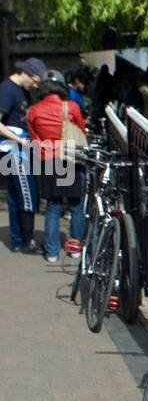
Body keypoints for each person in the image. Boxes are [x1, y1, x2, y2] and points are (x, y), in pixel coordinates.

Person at [26, 70, 86, 264]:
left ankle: (52, 252)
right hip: (70, 158)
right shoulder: (71, 107)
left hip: (47, 160)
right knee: (76, 205)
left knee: (53, 207)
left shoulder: (33, 111)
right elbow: (81, 131)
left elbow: (34, 138)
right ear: (61, 88)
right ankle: (75, 249)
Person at [0, 55, 45, 252]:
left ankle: (18, 240)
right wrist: (20, 141)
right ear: (26, 74)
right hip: (13, 149)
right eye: (34, 81)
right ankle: (27, 241)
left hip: (16, 148)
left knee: (16, 195)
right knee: (28, 193)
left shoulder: (19, 90)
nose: (34, 85)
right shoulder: (8, 90)